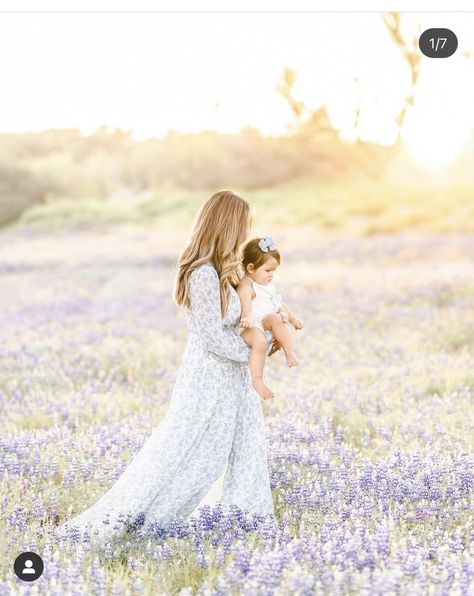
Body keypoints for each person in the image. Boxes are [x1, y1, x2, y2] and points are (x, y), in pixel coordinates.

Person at [54, 190, 280, 545]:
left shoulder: (228, 270)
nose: (245, 234)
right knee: (194, 455)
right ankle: (148, 527)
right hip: (209, 376)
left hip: (233, 379)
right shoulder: (202, 274)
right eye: (242, 226)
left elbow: (240, 322)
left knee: (241, 451)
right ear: (227, 226)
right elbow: (212, 338)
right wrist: (256, 353)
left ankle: (241, 527)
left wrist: (267, 332)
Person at [234, 236, 304, 401]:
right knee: (259, 341)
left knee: (275, 318)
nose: (272, 275)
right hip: (249, 327)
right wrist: (247, 316)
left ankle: (289, 352)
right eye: (268, 271)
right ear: (250, 268)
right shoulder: (246, 286)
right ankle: (257, 380)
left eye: (274, 271)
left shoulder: (264, 286)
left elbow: (279, 303)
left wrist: (293, 320)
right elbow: (245, 307)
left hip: (262, 321)